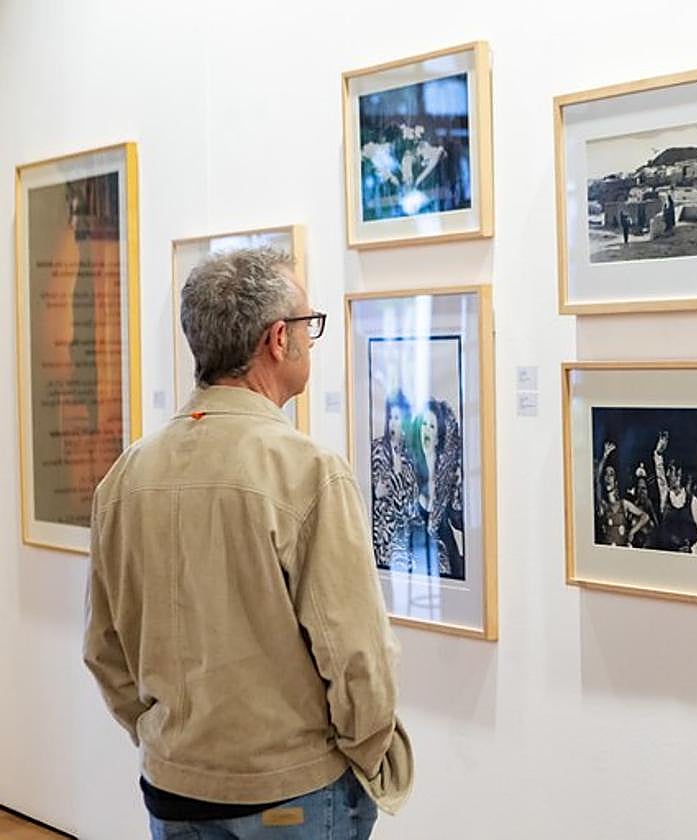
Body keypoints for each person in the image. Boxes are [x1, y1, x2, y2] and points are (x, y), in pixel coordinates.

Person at [84, 248, 412, 840]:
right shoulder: (306, 471)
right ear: (277, 339)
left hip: (173, 788)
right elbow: (356, 656)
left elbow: (104, 649)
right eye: (309, 325)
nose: (313, 341)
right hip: (291, 792)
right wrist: (368, 756)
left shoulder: (127, 476)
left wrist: (166, 738)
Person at [405, 400, 466, 580]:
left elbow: (459, 521)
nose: (426, 429)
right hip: (416, 552)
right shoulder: (411, 468)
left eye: (431, 426)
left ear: (438, 435)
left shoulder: (448, 474)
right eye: (424, 424)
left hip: (445, 551)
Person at [370, 391, 417, 570]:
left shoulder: (410, 456)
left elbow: (413, 501)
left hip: (404, 536)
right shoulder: (376, 450)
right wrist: (376, 492)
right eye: (390, 417)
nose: (393, 423)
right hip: (381, 533)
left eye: (397, 418)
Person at [652, 431, 697, 555]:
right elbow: (660, 475)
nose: (668, 474)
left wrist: (693, 550)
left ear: (679, 474)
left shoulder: (692, 501)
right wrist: (658, 453)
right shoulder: (665, 496)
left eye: (671, 470)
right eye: (667, 470)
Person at [594, 441, 650, 547]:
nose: (608, 477)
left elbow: (645, 517)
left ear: (616, 482)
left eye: (611, 474)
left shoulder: (624, 504)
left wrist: (632, 532)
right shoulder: (603, 506)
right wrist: (604, 456)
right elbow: (597, 481)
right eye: (606, 474)